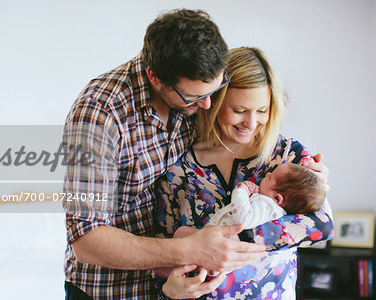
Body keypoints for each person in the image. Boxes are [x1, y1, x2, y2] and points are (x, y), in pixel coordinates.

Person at [62, 10, 268, 300]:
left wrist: (302, 171)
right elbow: (86, 240)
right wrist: (190, 249)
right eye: (194, 97)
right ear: (154, 77)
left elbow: (246, 126)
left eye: (215, 90)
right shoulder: (99, 115)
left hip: (174, 290)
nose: (208, 105)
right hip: (110, 290)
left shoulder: (198, 93)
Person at [154, 47, 334, 299]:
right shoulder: (178, 166)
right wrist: (167, 293)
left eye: (262, 110)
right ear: (213, 102)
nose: (251, 123)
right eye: (239, 110)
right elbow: (163, 247)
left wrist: (236, 240)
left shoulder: (286, 155)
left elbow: (322, 225)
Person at [153, 162, 326, 279]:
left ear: (278, 198)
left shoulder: (267, 205)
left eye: (270, 178)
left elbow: (244, 218)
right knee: (181, 241)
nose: (268, 174)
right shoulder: (268, 203)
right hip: (216, 243)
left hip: (221, 246)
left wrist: (242, 191)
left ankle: (162, 269)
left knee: (181, 245)